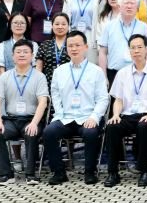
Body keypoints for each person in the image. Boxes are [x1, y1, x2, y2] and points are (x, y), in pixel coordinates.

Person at [42, 32, 108, 185]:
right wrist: (59, 114)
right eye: (70, 45)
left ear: (85, 47)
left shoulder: (96, 71)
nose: (74, 48)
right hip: (66, 117)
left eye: (77, 45)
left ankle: (90, 172)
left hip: (87, 117)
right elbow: (55, 95)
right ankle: (59, 172)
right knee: (48, 132)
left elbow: (103, 99)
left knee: (91, 133)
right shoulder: (59, 71)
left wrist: (94, 117)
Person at [102, 34, 147, 187]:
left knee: (144, 126)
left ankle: (145, 171)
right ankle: (113, 172)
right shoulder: (122, 73)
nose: (136, 51)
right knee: (112, 127)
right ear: (129, 51)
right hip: (128, 116)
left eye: (139, 47)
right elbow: (118, 99)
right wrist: (116, 115)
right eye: (133, 48)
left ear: (146, 49)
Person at [0, 39, 48, 185]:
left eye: (25, 52)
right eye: (18, 52)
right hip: (11, 120)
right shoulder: (5, 76)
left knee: (31, 133)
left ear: (32, 56)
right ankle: (6, 174)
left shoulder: (39, 76)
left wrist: (34, 123)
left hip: (31, 119)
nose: (22, 55)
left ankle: (30, 174)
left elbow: (43, 102)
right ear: (13, 56)